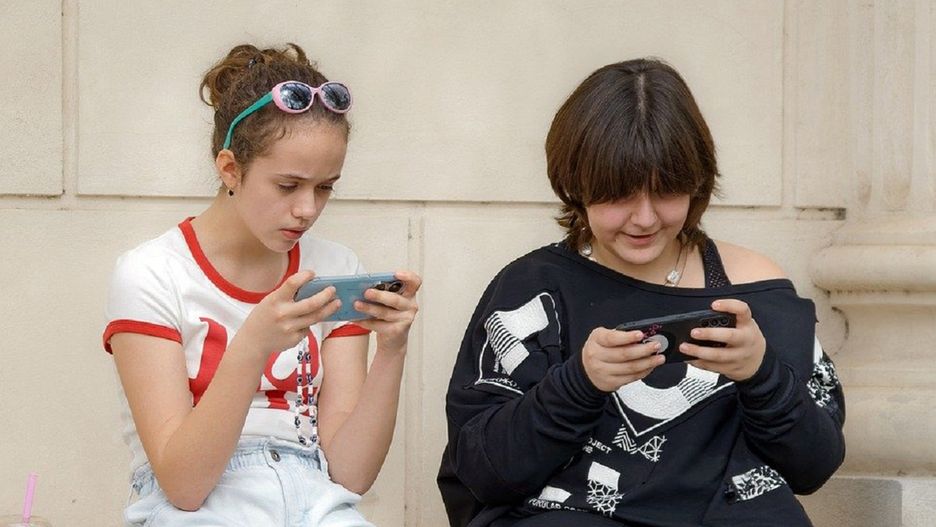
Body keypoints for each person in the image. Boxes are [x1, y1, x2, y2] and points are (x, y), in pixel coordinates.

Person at [438, 58, 845, 526]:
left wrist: (762, 374)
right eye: (619, 195)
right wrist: (579, 383)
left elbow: (814, 467)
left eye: (667, 191)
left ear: (697, 183)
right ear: (575, 185)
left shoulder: (754, 288)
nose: (645, 218)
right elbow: (479, 473)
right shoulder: (535, 292)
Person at [103, 43, 421, 526]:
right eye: (288, 186)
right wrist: (253, 344)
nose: (307, 209)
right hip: (200, 504)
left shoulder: (333, 266)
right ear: (230, 168)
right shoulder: (151, 274)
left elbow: (350, 476)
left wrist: (392, 351)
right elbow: (184, 487)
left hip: (314, 492)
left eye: (325, 187)